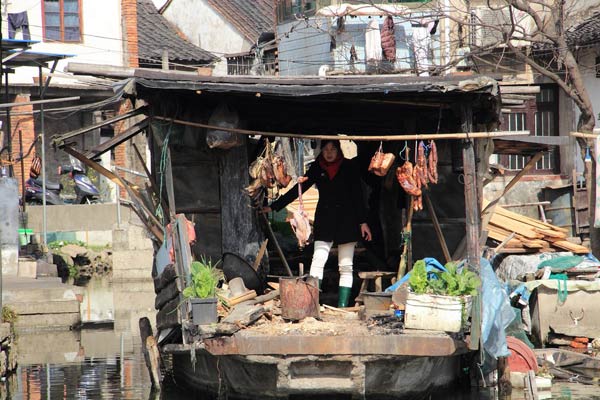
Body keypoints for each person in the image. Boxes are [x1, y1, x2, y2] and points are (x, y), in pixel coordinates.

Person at [263, 140, 372, 307]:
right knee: (318, 260)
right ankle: (312, 304)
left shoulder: (349, 167)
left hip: (347, 220)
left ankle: (343, 305)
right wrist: (274, 206)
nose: (329, 153)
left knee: (346, 265)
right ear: (321, 151)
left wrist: (363, 222)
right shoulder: (317, 167)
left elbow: (358, 195)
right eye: (326, 149)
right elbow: (300, 188)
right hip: (325, 219)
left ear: (339, 150)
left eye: (333, 149)